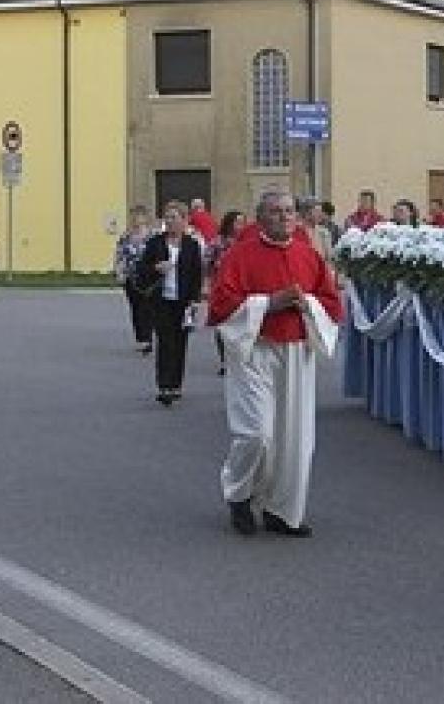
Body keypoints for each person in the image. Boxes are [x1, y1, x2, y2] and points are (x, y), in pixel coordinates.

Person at [208, 192, 343, 538]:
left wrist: (307, 304)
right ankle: (239, 493)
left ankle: (281, 510)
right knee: (257, 433)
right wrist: (269, 303)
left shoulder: (308, 255)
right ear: (260, 218)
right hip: (256, 349)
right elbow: (222, 305)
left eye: (288, 211)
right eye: (275, 212)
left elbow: (331, 303)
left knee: (294, 437)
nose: (284, 217)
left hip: (296, 350)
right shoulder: (239, 256)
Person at [134, 201, 205, 406]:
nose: (170, 221)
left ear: (185, 220)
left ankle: (176, 384)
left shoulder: (191, 245)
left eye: (174, 217)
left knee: (180, 342)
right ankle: (164, 385)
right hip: (161, 300)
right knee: (165, 342)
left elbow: (196, 275)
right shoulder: (155, 243)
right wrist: (156, 267)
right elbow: (142, 269)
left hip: (183, 302)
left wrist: (194, 301)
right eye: (167, 217)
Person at [207, 210, 247, 375]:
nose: (240, 226)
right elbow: (207, 262)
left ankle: (240, 356)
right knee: (222, 325)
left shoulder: (246, 242)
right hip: (221, 288)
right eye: (237, 222)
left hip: (242, 289)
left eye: (243, 222)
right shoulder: (218, 242)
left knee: (241, 323)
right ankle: (225, 359)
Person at [112, 206, 156, 354]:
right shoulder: (126, 237)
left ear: (146, 218)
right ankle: (140, 337)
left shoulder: (152, 236)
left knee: (148, 307)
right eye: (133, 217)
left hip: (148, 277)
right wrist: (119, 272)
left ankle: (147, 338)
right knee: (135, 307)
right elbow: (119, 255)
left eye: (139, 216)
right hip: (130, 277)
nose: (136, 220)